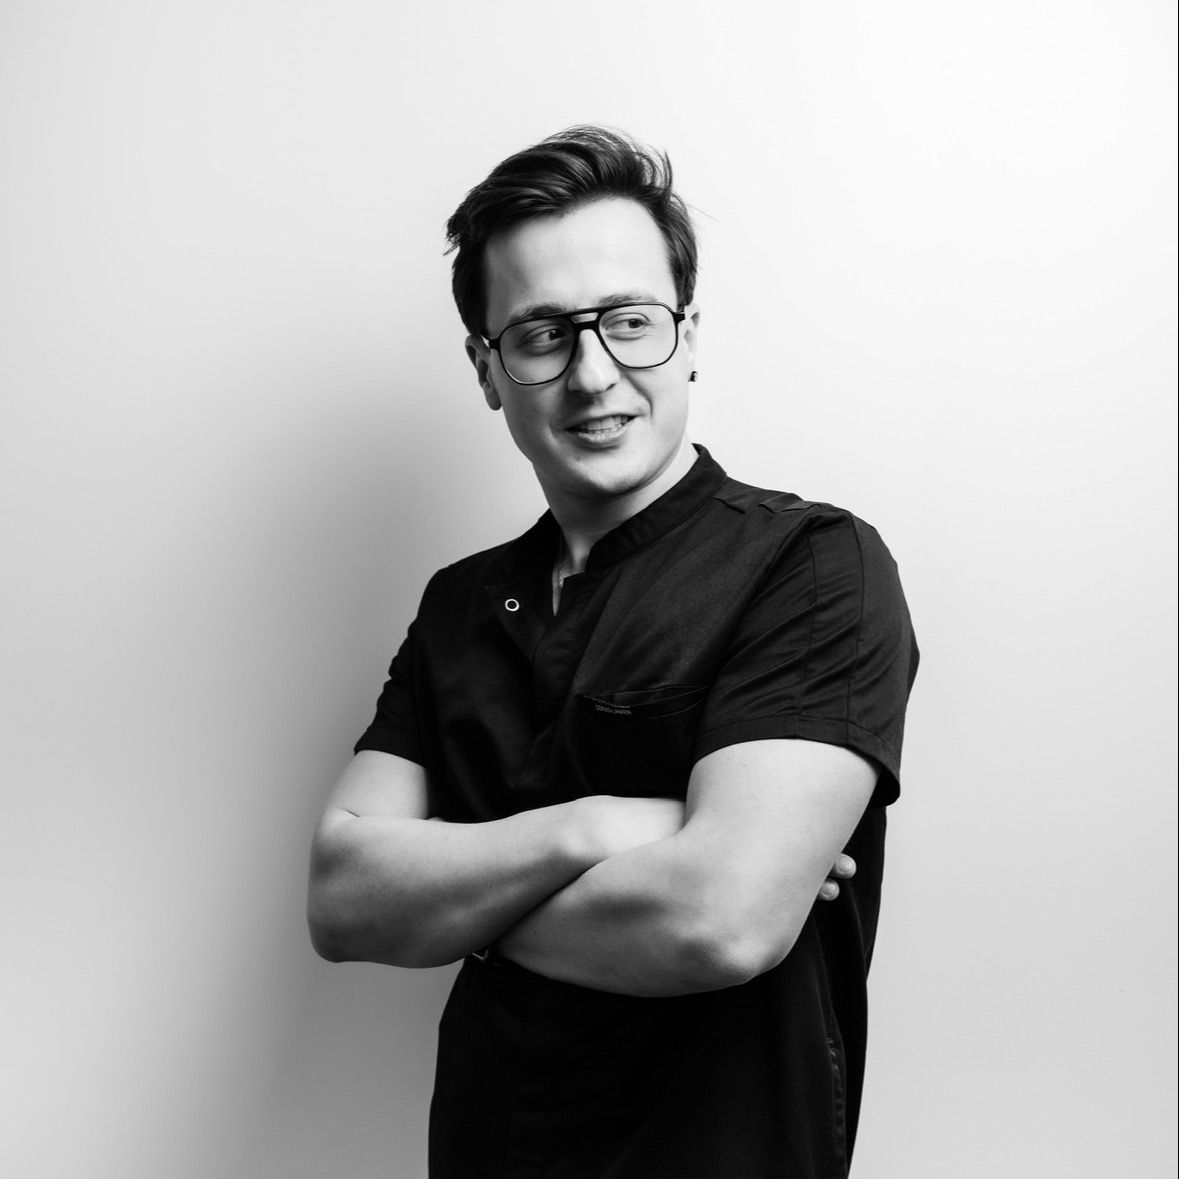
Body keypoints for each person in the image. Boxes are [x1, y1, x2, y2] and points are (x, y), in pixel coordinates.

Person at [307, 126, 919, 1178]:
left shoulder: (813, 566)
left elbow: (719, 920)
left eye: (630, 322)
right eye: (543, 334)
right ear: (488, 369)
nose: (594, 374)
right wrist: (594, 827)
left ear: (688, 336)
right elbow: (344, 899)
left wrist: (460, 907)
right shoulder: (460, 605)